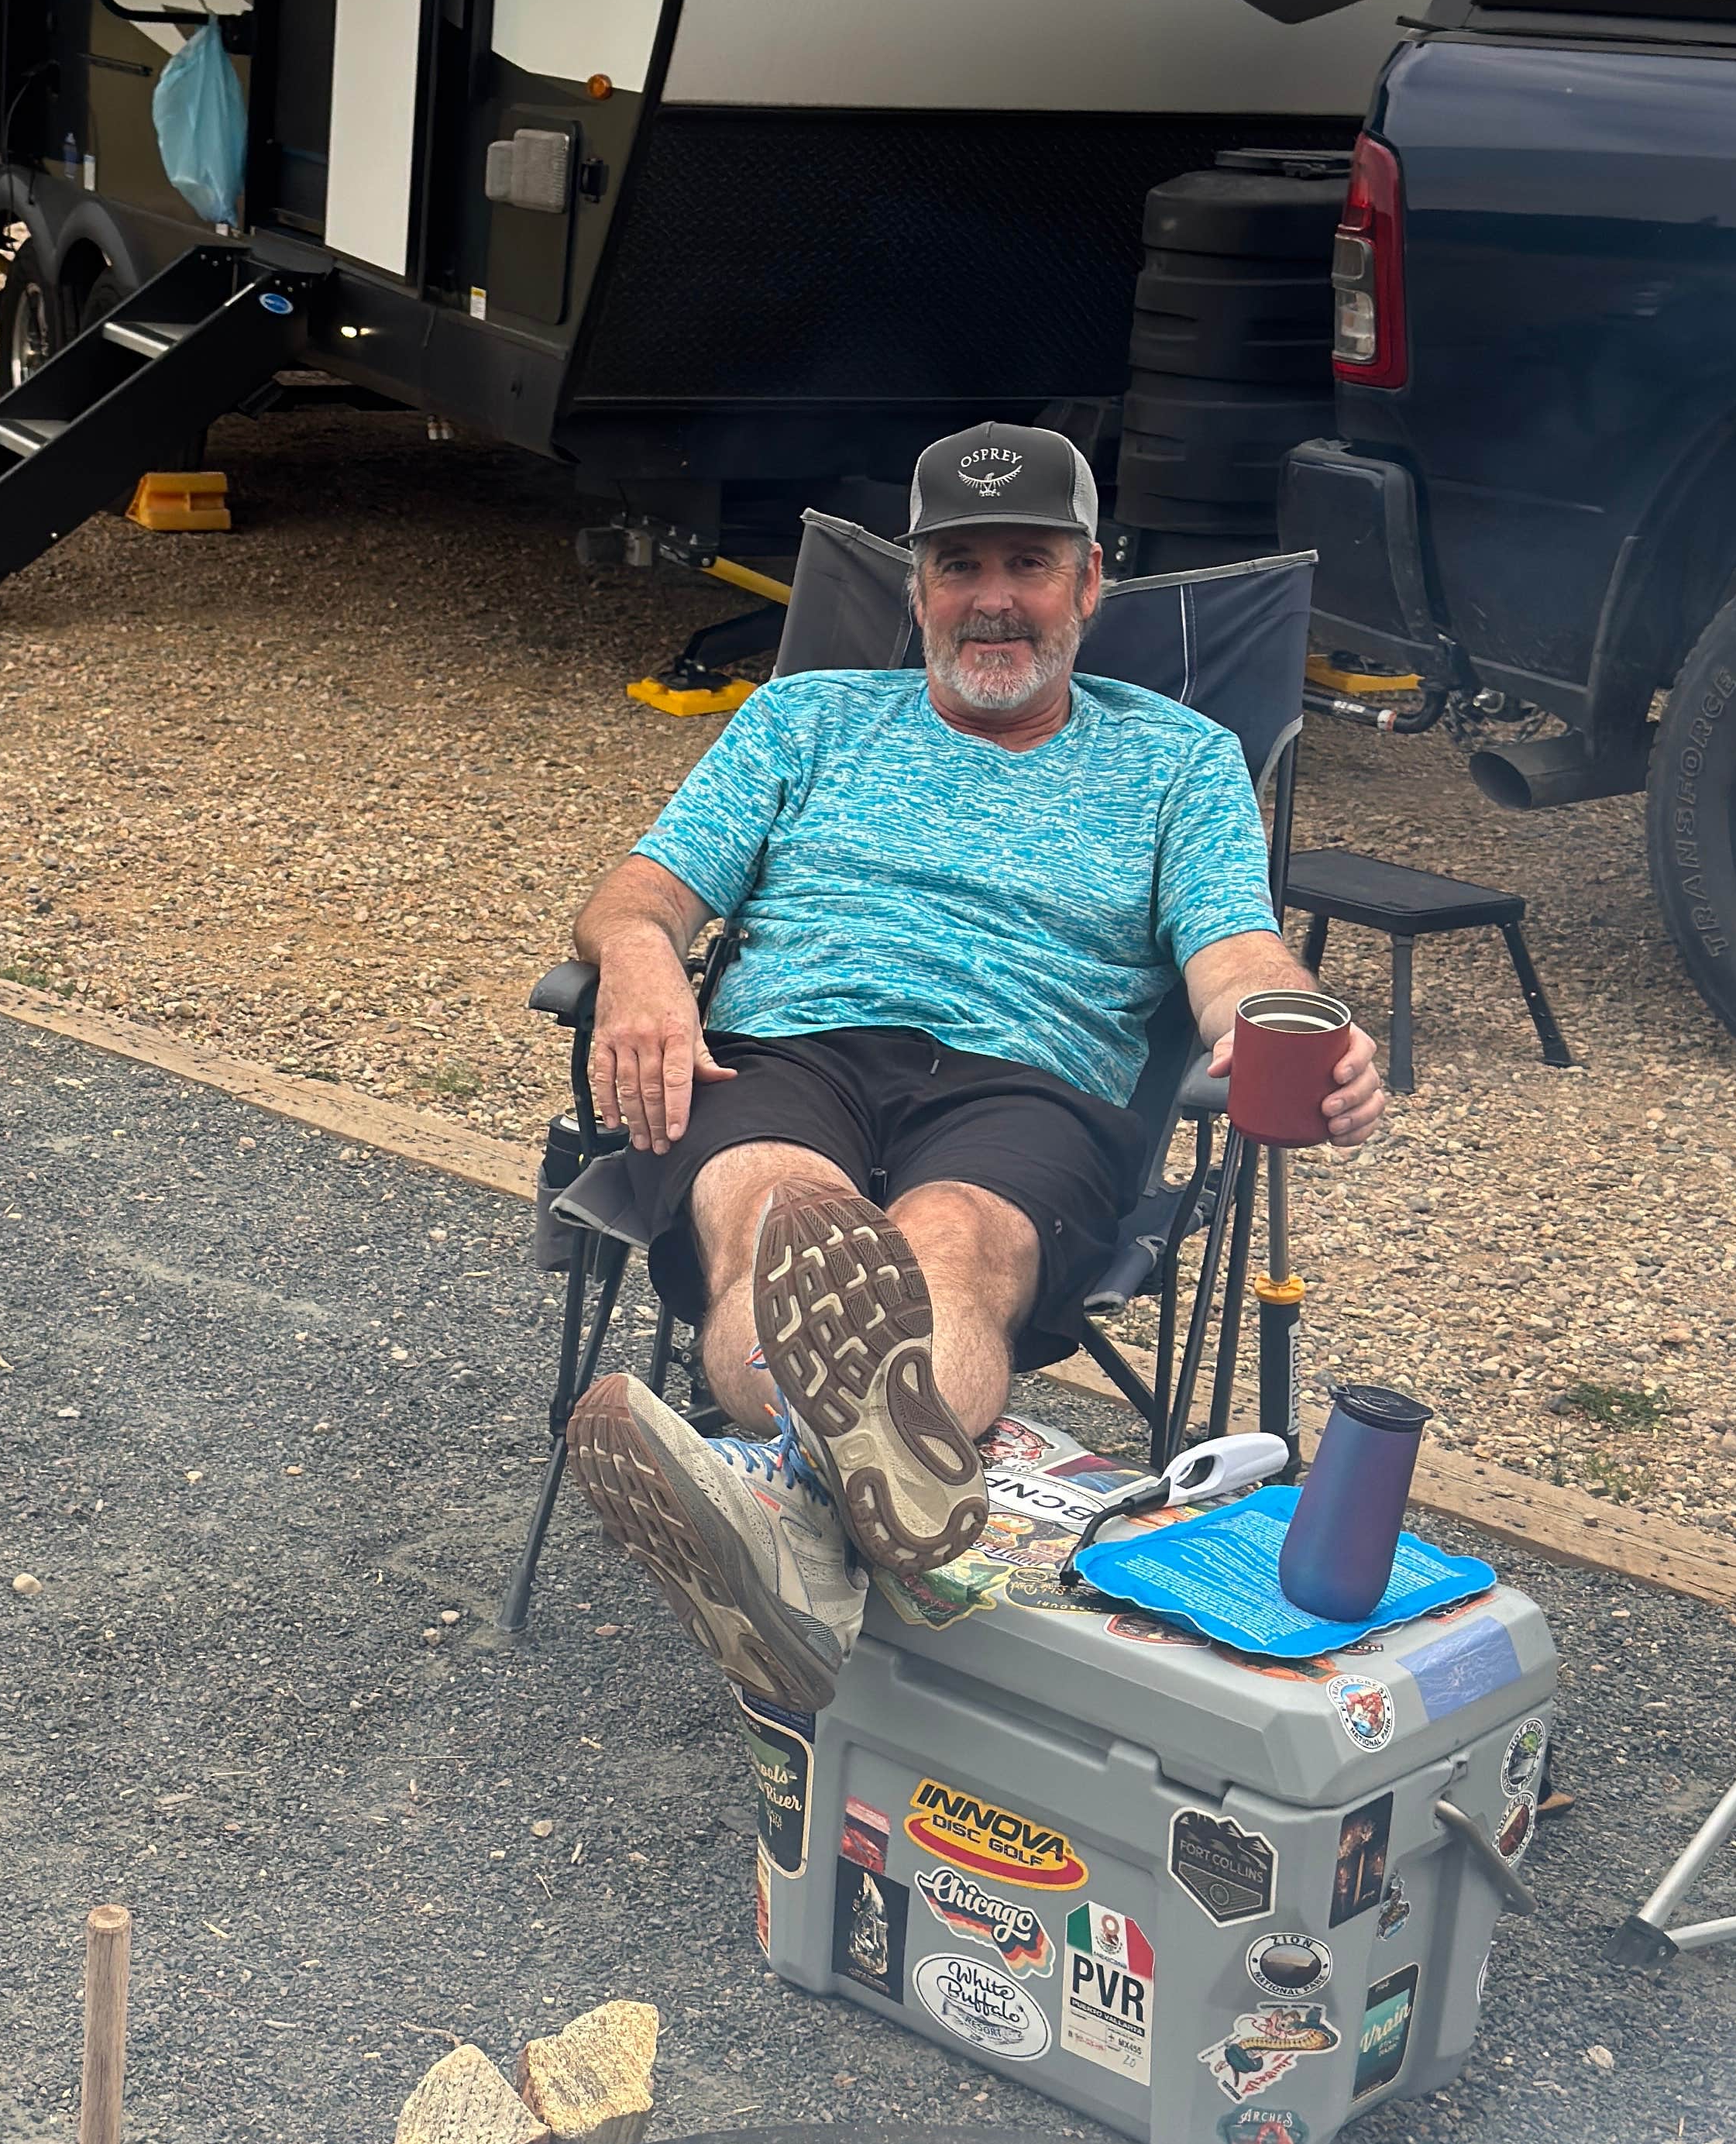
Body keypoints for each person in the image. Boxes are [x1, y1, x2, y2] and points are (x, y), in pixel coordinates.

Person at [559, 419, 1381, 1712]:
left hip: (1030, 1081)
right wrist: (645, 965)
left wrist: (1297, 1029)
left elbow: (1237, 954)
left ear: (1088, 583)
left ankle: (787, 1525)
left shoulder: (1177, 760)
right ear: (917, 588)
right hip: (792, 1052)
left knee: (945, 1240)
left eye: (1029, 561)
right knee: (784, 1214)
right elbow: (639, 897)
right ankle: (840, 1519)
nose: (994, 596)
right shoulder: (804, 718)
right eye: (960, 565)